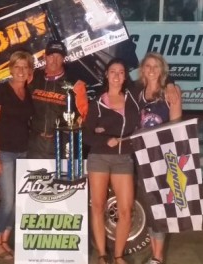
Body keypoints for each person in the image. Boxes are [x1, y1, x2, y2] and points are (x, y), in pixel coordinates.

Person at [84, 58, 140, 264]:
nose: (117, 75)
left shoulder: (133, 99)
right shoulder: (97, 102)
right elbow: (86, 134)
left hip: (123, 158)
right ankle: (101, 254)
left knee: (125, 210)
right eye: (113, 71)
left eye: (121, 72)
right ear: (106, 75)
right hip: (99, 157)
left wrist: (169, 83)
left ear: (125, 76)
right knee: (98, 206)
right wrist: (105, 137)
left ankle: (118, 255)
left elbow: (156, 77)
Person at [132, 52, 182, 264]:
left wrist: (173, 162)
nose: (152, 69)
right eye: (148, 66)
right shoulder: (136, 92)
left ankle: (158, 257)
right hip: (140, 157)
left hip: (161, 158)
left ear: (163, 70)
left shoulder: (171, 93)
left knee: (160, 208)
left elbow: (177, 127)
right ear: (142, 69)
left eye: (156, 66)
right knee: (150, 206)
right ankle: (155, 256)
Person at [0, 50, 34, 260]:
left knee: (19, 201)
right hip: (4, 153)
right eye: (17, 66)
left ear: (29, 70)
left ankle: (5, 240)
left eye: (25, 67)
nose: (21, 71)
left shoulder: (29, 92)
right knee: (8, 200)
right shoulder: (1, 90)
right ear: (11, 69)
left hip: (24, 152)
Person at [28, 40, 87, 159]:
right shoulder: (32, 78)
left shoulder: (76, 84)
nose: (54, 60)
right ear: (44, 56)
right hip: (34, 143)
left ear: (64, 58)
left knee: (61, 177)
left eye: (58, 56)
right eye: (51, 56)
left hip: (63, 142)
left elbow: (84, 115)